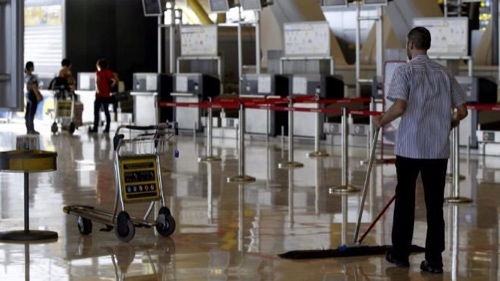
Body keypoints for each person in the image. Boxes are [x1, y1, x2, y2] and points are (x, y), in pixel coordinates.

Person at [373, 26, 468, 274]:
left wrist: (381, 120)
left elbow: (400, 105)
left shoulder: (404, 71)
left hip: (409, 148)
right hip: (437, 150)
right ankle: (434, 261)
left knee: (405, 201)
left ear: (411, 45)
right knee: (434, 204)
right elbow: (463, 110)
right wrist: (452, 122)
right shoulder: (444, 72)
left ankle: (400, 254)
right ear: (427, 45)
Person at [89, 58, 118, 133]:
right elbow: (115, 80)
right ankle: (107, 128)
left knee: (96, 112)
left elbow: (97, 81)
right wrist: (110, 86)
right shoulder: (110, 73)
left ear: (99, 66)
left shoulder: (98, 73)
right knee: (106, 111)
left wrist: (98, 89)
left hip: (99, 95)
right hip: (106, 95)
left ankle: (95, 128)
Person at [24, 61, 43, 135]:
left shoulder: (25, 76)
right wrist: (38, 95)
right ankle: (31, 129)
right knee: (31, 113)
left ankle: (29, 129)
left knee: (28, 113)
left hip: (28, 95)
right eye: (33, 66)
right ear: (30, 67)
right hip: (33, 95)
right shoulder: (33, 77)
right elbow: (34, 87)